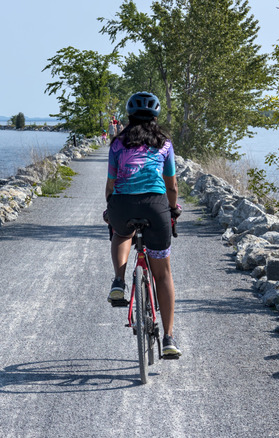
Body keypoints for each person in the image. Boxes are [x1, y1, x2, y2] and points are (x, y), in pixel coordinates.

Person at [104, 91, 182, 357]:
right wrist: (173, 211)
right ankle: (169, 338)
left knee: (121, 233)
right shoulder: (164, 144)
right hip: (155, 206)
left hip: (122, 204)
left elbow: (111, 184)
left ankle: (118, 280)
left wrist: (109, 209)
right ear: (156, 116)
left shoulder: (117, 144)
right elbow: (171, 186)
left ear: (129, 116)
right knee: (163, 273)